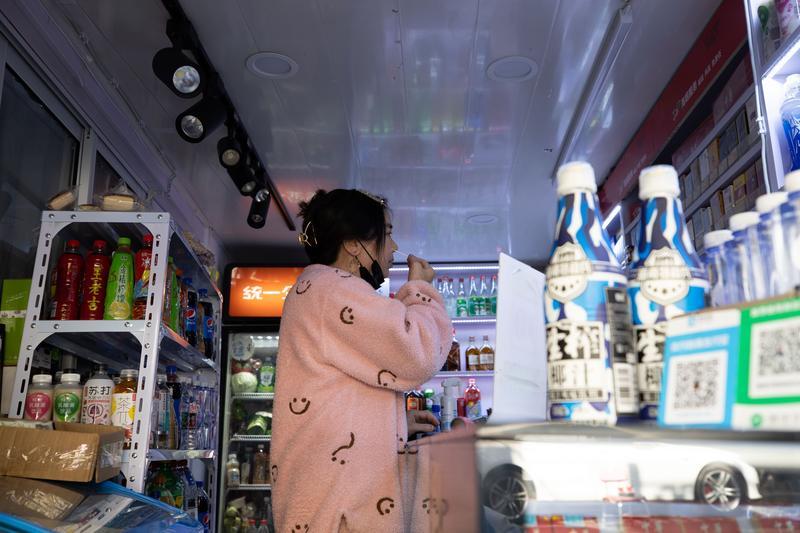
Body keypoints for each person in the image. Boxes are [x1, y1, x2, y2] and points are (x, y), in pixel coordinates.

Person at [271, 189, 452, 533]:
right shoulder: (332, 289)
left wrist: (394, 424)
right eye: (388, 233)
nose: (394, 247)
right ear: (354, 244)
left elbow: (338, 395)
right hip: (340, 511)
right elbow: (418, 352)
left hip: (327, 500)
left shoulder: (319, 288)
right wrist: (419, 291)